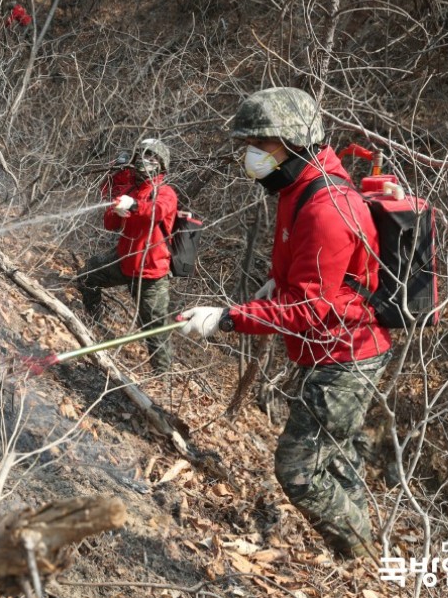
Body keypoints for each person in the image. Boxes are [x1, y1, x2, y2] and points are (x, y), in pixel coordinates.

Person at [178, 87, 392, 560]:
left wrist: (230, 318)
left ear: (296, 143)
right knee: (337, 461)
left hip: (346, 353)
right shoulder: (297, 187)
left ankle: (362, 561)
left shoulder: (325, 209)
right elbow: (314, 275)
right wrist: (276, 281)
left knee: (298, 468)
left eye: (262, 144)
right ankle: (361, 555)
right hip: (332, 348)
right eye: (248, 144)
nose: (251, 155)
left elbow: (312, 307)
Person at [78, 139, 178, 377]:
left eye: (152, 157)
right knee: (87, 276)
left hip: (151, 274)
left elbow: (156, 211)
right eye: (142, 155)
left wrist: (134, 206)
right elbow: (110, 224)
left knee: (155, 331)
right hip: (124, 261)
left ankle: (161, 381)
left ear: (162, 165)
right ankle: (93, 325)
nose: (145, 161)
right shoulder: (130, 190)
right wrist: (116, 209)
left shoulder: (165, 193)